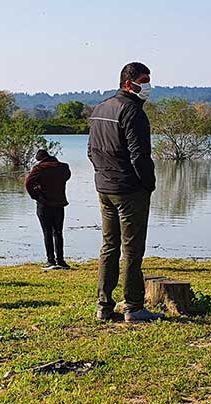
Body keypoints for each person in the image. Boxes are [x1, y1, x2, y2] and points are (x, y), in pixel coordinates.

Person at [87, 61, 161, 323]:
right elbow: (140, 156)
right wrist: (148, 183)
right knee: (132, 250)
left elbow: (90, 151)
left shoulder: (100, 109)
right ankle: (133, 306)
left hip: (104, 187)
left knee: (109, 246)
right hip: (130, 190)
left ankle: (104, 306)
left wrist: (104, 174)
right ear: (129, 84)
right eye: (144, 80)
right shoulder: (133, 112)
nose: (148, 86)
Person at [24, 149, 72, 270]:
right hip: (59, 204)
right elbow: (67, 177)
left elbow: (28, 182)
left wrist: (35, 195)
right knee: (58, 232)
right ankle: (61, 261)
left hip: (44, 204)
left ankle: (51, 261)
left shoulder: (39, 168)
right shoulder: (63, 167)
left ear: (39, 159)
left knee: (47, 233)